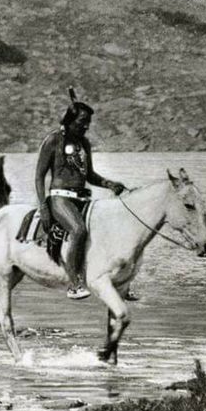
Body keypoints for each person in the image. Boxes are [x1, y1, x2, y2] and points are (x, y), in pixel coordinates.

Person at [35, 89, 126, 300]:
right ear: (69, 119)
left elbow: (90, 175)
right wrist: (43, 206)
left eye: (88, 123)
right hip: (60, 199)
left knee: (108, 229)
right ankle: (74, 282)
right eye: (82, 121)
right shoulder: (53, 141)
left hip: (83, 198)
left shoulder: (84, 143)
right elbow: (39, 177)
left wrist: (109, 184)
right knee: (78, 230)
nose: (86, 126)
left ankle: (118, 279)